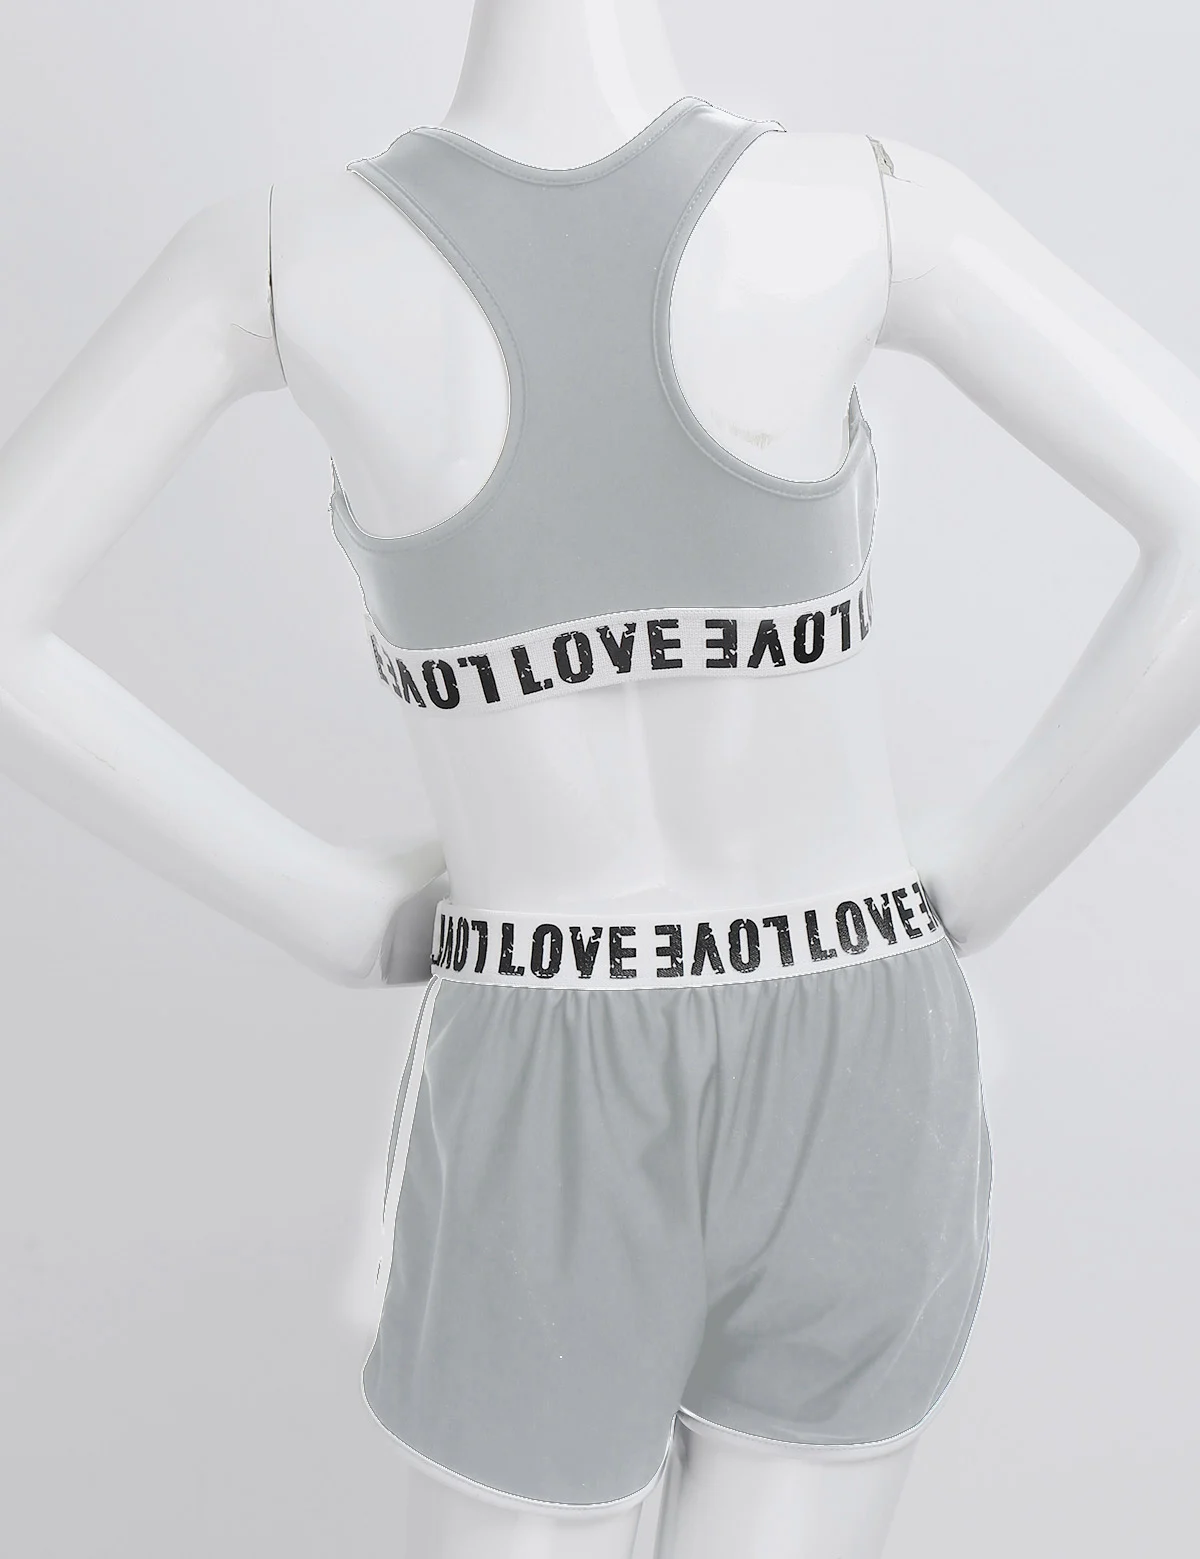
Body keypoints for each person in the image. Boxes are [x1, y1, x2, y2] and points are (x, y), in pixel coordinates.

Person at [4, 4, 1200, 1557]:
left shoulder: (279, 262)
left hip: (554, 1051)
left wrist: (327, 907)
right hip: (857, 1035)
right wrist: (986, 869)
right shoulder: (866, 208)